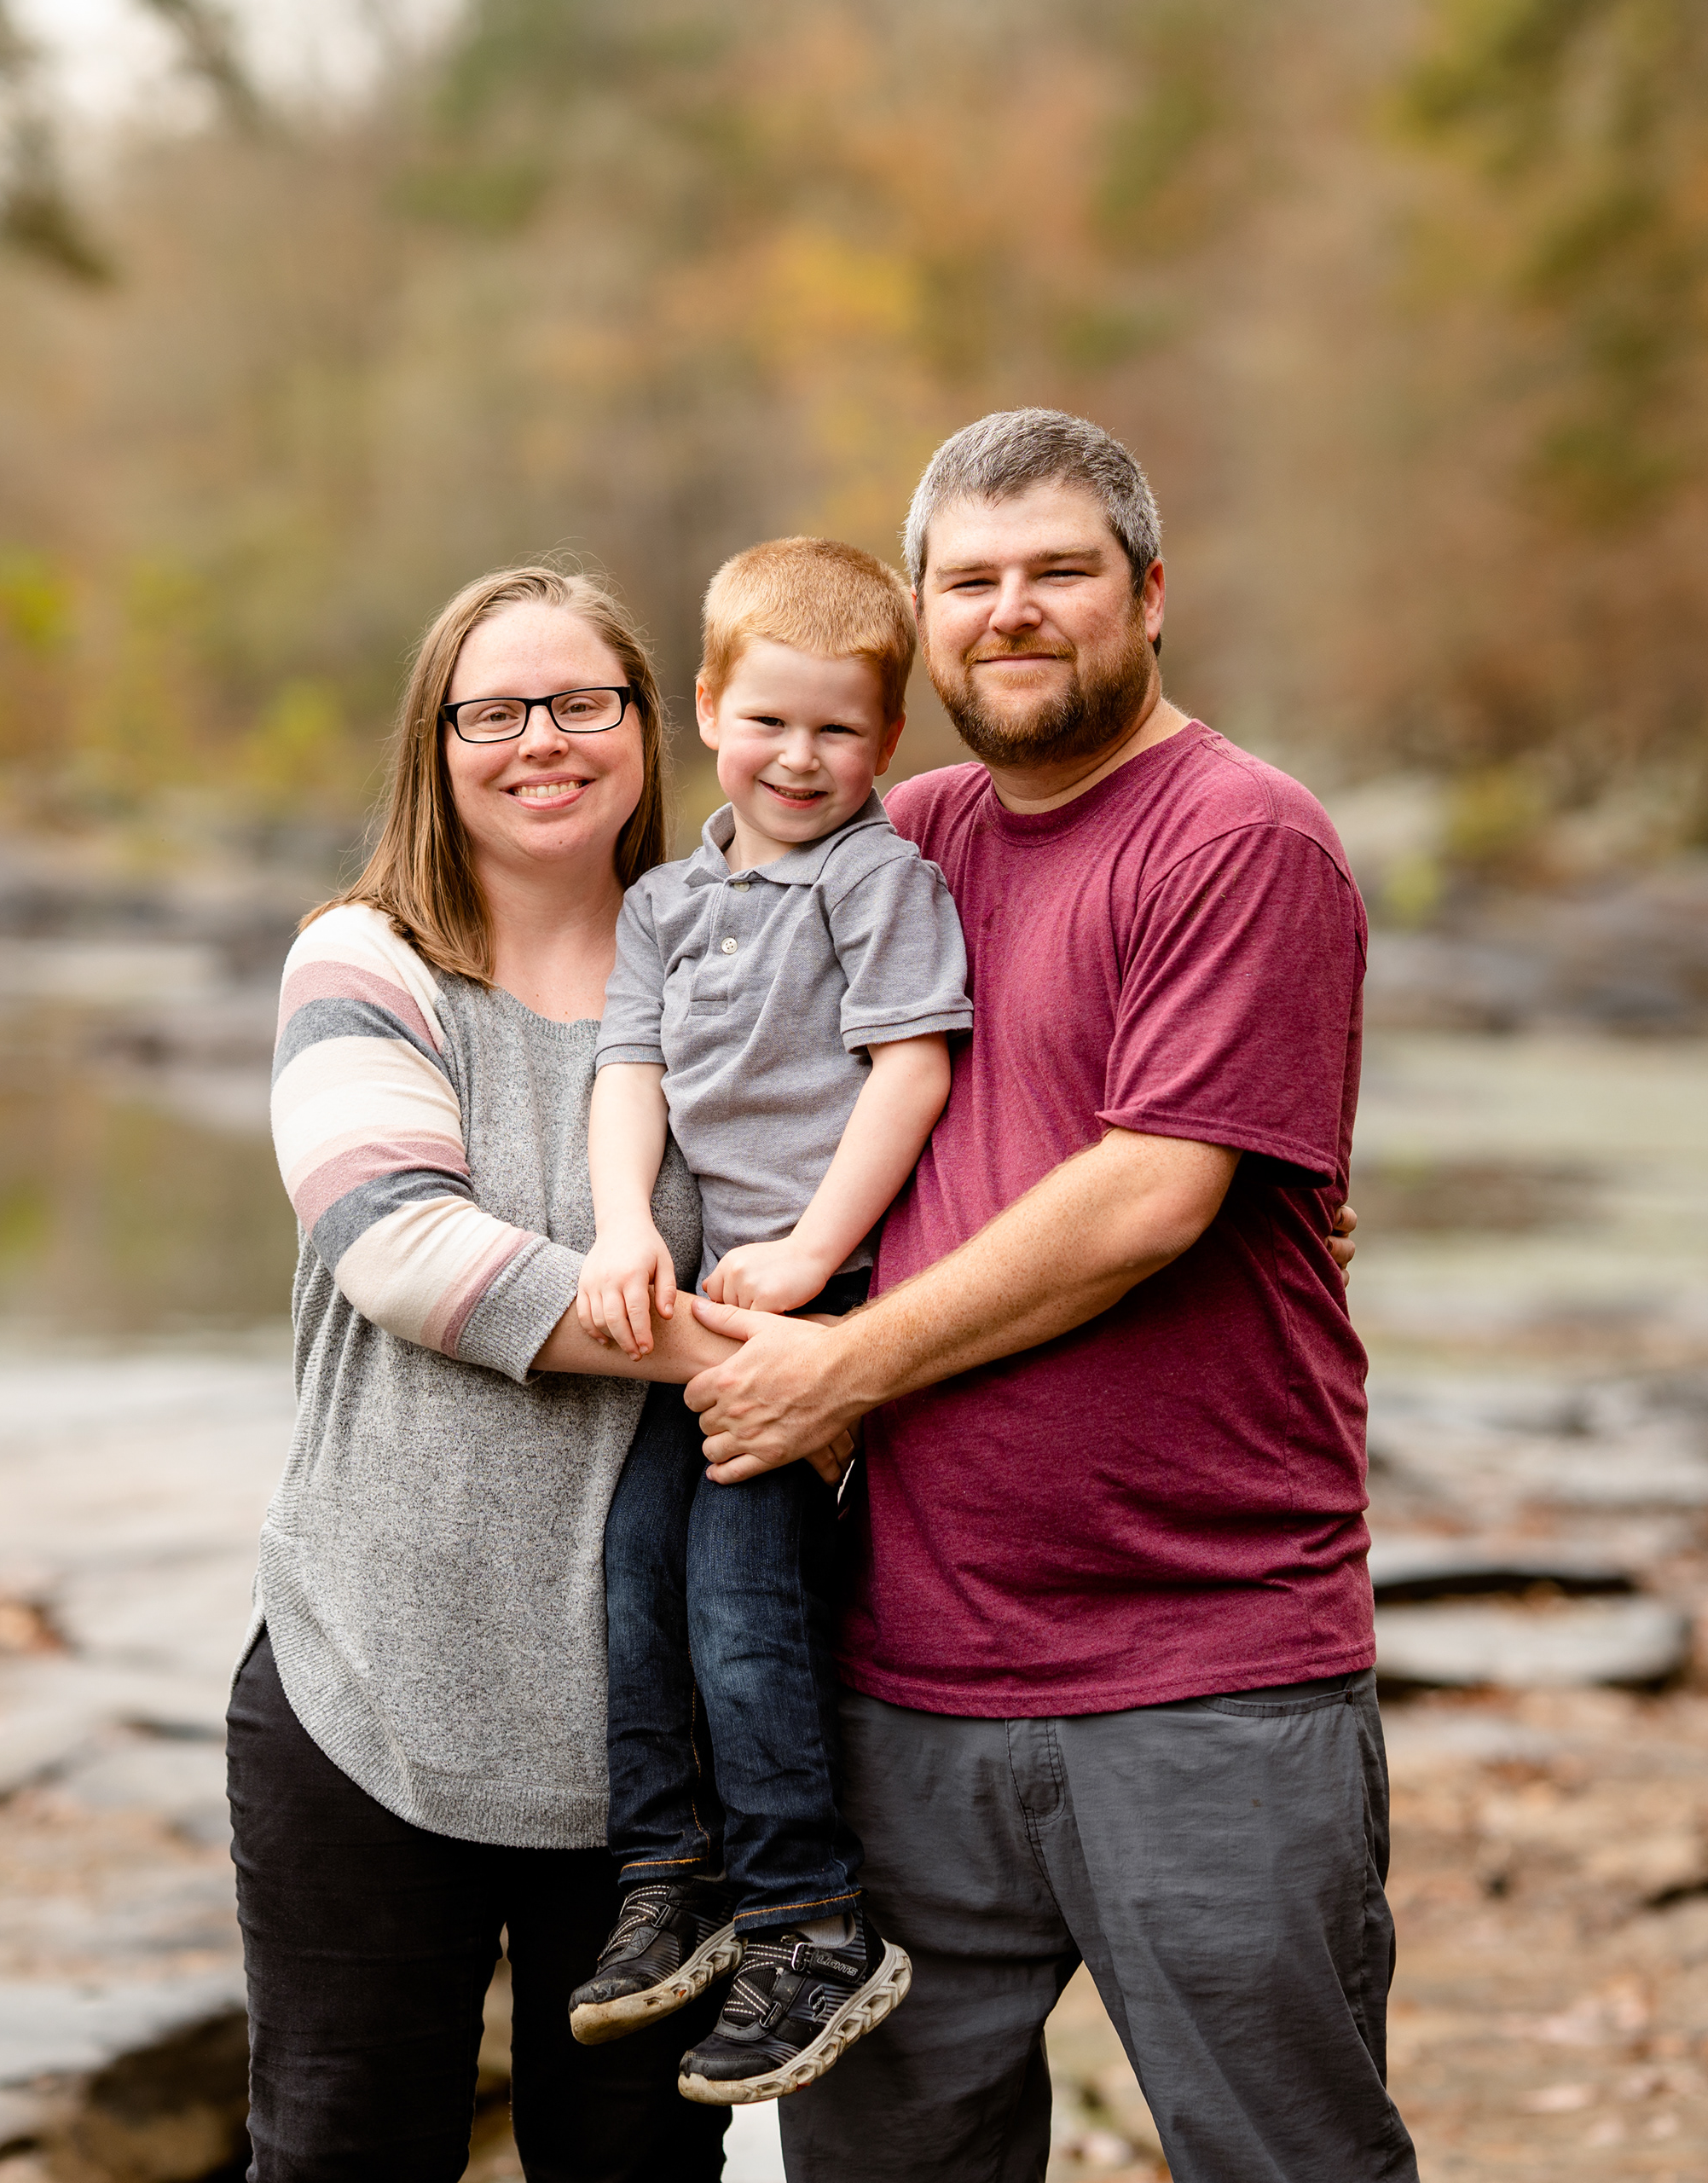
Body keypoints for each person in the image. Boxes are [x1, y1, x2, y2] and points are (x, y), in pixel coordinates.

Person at [683, 411, 1421, 2182]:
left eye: (1059, 572)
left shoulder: (1241, 835)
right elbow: (693, 1025)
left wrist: (839, 1368)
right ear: (921, 621)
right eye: (969, 581)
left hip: (1207, 1674)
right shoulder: (903, 840)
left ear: (1151, 595)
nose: (1010, 610)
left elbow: (1150, 1191)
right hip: (901, 1679)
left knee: (1287, 2159)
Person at [237, 565, 764, 2183]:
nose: (543, 740)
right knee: (342, 2156)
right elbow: (398, 1245)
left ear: (647, 728)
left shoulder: (729, 965)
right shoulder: (366, 959)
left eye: (583, 702)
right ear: (436, 744)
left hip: (661, 1753)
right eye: (494, 712)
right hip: (373, 1692)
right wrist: (777, 1366)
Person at [565, 538, 972, 2104]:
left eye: (838, 732)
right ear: (707, 711)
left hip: (823, 1293)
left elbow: (912, 1073)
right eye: (769, 723)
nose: (800, 760)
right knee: (634, 1571)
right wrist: (621, 1227)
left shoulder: (877, 881)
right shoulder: (665, 903)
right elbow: (631, 1074)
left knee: (744, 1597)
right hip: (712, 1298)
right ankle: (667, 1877)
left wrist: (811, 1253)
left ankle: (810, 1917)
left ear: (889, 741)